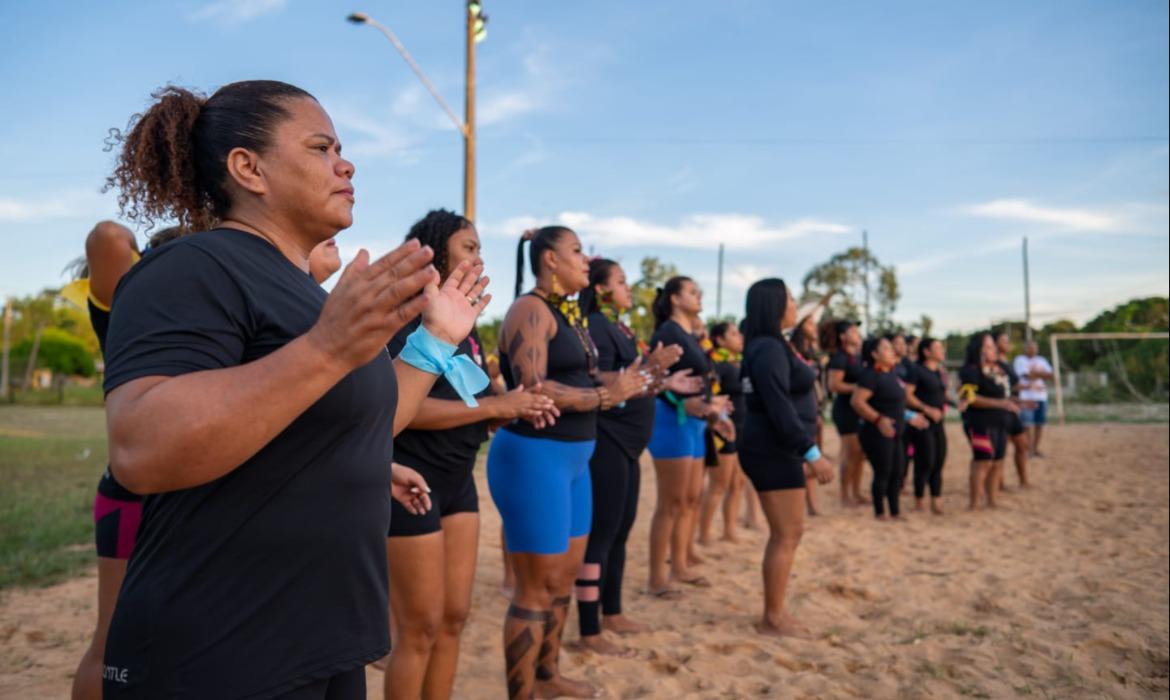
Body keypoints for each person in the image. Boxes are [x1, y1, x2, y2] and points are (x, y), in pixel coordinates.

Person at [99, 80, 488, 699]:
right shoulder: (194, 267)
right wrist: (326, 348)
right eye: (321, 147)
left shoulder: (309, 295)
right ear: (248, 168)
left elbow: (365, 421)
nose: (347, 162)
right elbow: (142, 449)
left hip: (324, 640)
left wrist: (435, 340)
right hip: (223, 652)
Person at [382, 211, 557, 700]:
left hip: (459, 479)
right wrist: (497, 404)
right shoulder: (408, 315)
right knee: (418, 629)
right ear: (436, 252)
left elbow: (467, 400)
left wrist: (505, 411)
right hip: (410, 481)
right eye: (469, 247)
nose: (479, 256)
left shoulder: (467, 325)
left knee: (456, 618)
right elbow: (406, 411)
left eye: (480, 247)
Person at [490, 227, 647, 700]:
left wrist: (641, 374)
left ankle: (548, 676)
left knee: (562, 579)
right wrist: (605, 395)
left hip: (578, 459)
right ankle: (521, 693)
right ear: (550, 260)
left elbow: (587, 376)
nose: (587, 258)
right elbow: (532, 388)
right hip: (536, 459)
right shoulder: (528, 310)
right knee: (534, 589)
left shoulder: (571, 315)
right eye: (577, 250)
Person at [572, 258, 698, 656]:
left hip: (629, 445)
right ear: (603, 289)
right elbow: (601, 379)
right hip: (608, 440)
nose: (629, 288)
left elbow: (635, 380)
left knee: (622, 529)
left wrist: (663, 379)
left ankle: (613, 612)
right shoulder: (594, 325)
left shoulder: (620, 327)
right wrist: (650, 368)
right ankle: (589, 628)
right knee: (601, 534)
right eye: (622, 282)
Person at [738, 279, 834, 637]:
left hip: (775, 447)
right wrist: (811, 452)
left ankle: (774, 613)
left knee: (789, 532)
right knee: (786, 533)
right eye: (791, 299)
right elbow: (779, 408)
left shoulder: (773, 345)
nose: (796, 304)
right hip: (772, 449)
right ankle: (772, 618)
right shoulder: (768, 349)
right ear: (775, 305)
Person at [645, 277, 725, 597]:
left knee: (690, 498)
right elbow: (652, 379)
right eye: (693, 291)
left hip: (694, 423)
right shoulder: (667, 332)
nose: (699, 295)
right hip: (670, 421)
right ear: (675, 299)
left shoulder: (690, 334)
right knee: (671, 502)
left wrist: (712, 410)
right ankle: (656, 579)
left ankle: (679, 565)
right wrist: (680, 400)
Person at [852, 337, 929, 519]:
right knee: (883, 471)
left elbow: (896, 405)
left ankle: (894, 511)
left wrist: (911, 417)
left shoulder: (892, 374)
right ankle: (879, 512)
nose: (892, 351)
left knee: (898, 471)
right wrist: (878, 419)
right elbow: (857, 402)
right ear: (874, 354)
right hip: (877, 432)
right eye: (886, 348)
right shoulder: (871, 375)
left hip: (897, 431)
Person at [698, 321, 747, 544]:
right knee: (718, 484)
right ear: (719, 340)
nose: (740, 338)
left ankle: (729, 529)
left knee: (736, 483)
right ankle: (705, 534)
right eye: (734, 334)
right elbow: (711, 395)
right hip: (722, 429)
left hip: (739, 428)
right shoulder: (717, 364)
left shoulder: (735, 363)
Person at [960, 333, 1019, 510]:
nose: (993, 349)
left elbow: (1009, 391)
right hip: (980, 422)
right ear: (979, 350)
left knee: (998, 461)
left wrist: (1017, 402)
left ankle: (992, 500)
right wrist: (1000, 403)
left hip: (1001, 420)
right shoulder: (971, 370)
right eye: (988, 346)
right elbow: (968, 397)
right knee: (982, 461)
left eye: (993, 346)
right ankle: (974, 503)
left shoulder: (1000, 367)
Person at [904, 337, 949, 514]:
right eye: (937, 347)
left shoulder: (939, 372)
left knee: (939, 460)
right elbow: (907, 395)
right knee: (925, 461)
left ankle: (936, 500)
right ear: (926, 352)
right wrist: (926, 409)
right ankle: (919, 500)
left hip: (938, 422)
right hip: (922, 422)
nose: (942, 350)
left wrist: (953, 403)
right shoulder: (917, 370)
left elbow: (941, 396)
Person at [789, 306, 826, 516]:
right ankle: (799, 505)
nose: (815, 327)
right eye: (810, 323)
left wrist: (818, 412)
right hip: (797, 414)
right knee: (801, 463)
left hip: (812, 411)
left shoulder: (812, 352)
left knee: (813, 460)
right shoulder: (792, 350)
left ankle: (812, 504)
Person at [827, 321, 866, 506]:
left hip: (858, 409)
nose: (856, 332)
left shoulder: (857, 356)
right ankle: (844, 495)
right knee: (851, 452)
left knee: (860, 454)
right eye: (852, 330)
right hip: (845, 410)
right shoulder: (839, 358)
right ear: (843, 337)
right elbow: (834, 385)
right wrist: (859, 388)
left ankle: (856, 492)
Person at [996, 331, 1031, 487]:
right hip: (1002, 410)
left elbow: (1012, 385)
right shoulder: (994, 364)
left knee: (1022, 444)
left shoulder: (1006, 362)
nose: (1008, 343)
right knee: (1001, 449)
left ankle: (1023, 480)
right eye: (1004, 341)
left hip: (1013, 409)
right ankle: (999, 483)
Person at [1013, 340, 1053, 458]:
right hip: (1026, 397)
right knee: (1026, 425)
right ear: (1025, 348)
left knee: (1039, 424)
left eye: (1034, 347)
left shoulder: (1042, 360)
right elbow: (1026, 375)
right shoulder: (1020, 360)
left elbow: (1051, 376)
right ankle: (1028, 449)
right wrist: (1041, 373)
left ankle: (1035, 449)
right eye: (1030, 347)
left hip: (1041, 396)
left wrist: (1034, 373)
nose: (1032, 350)